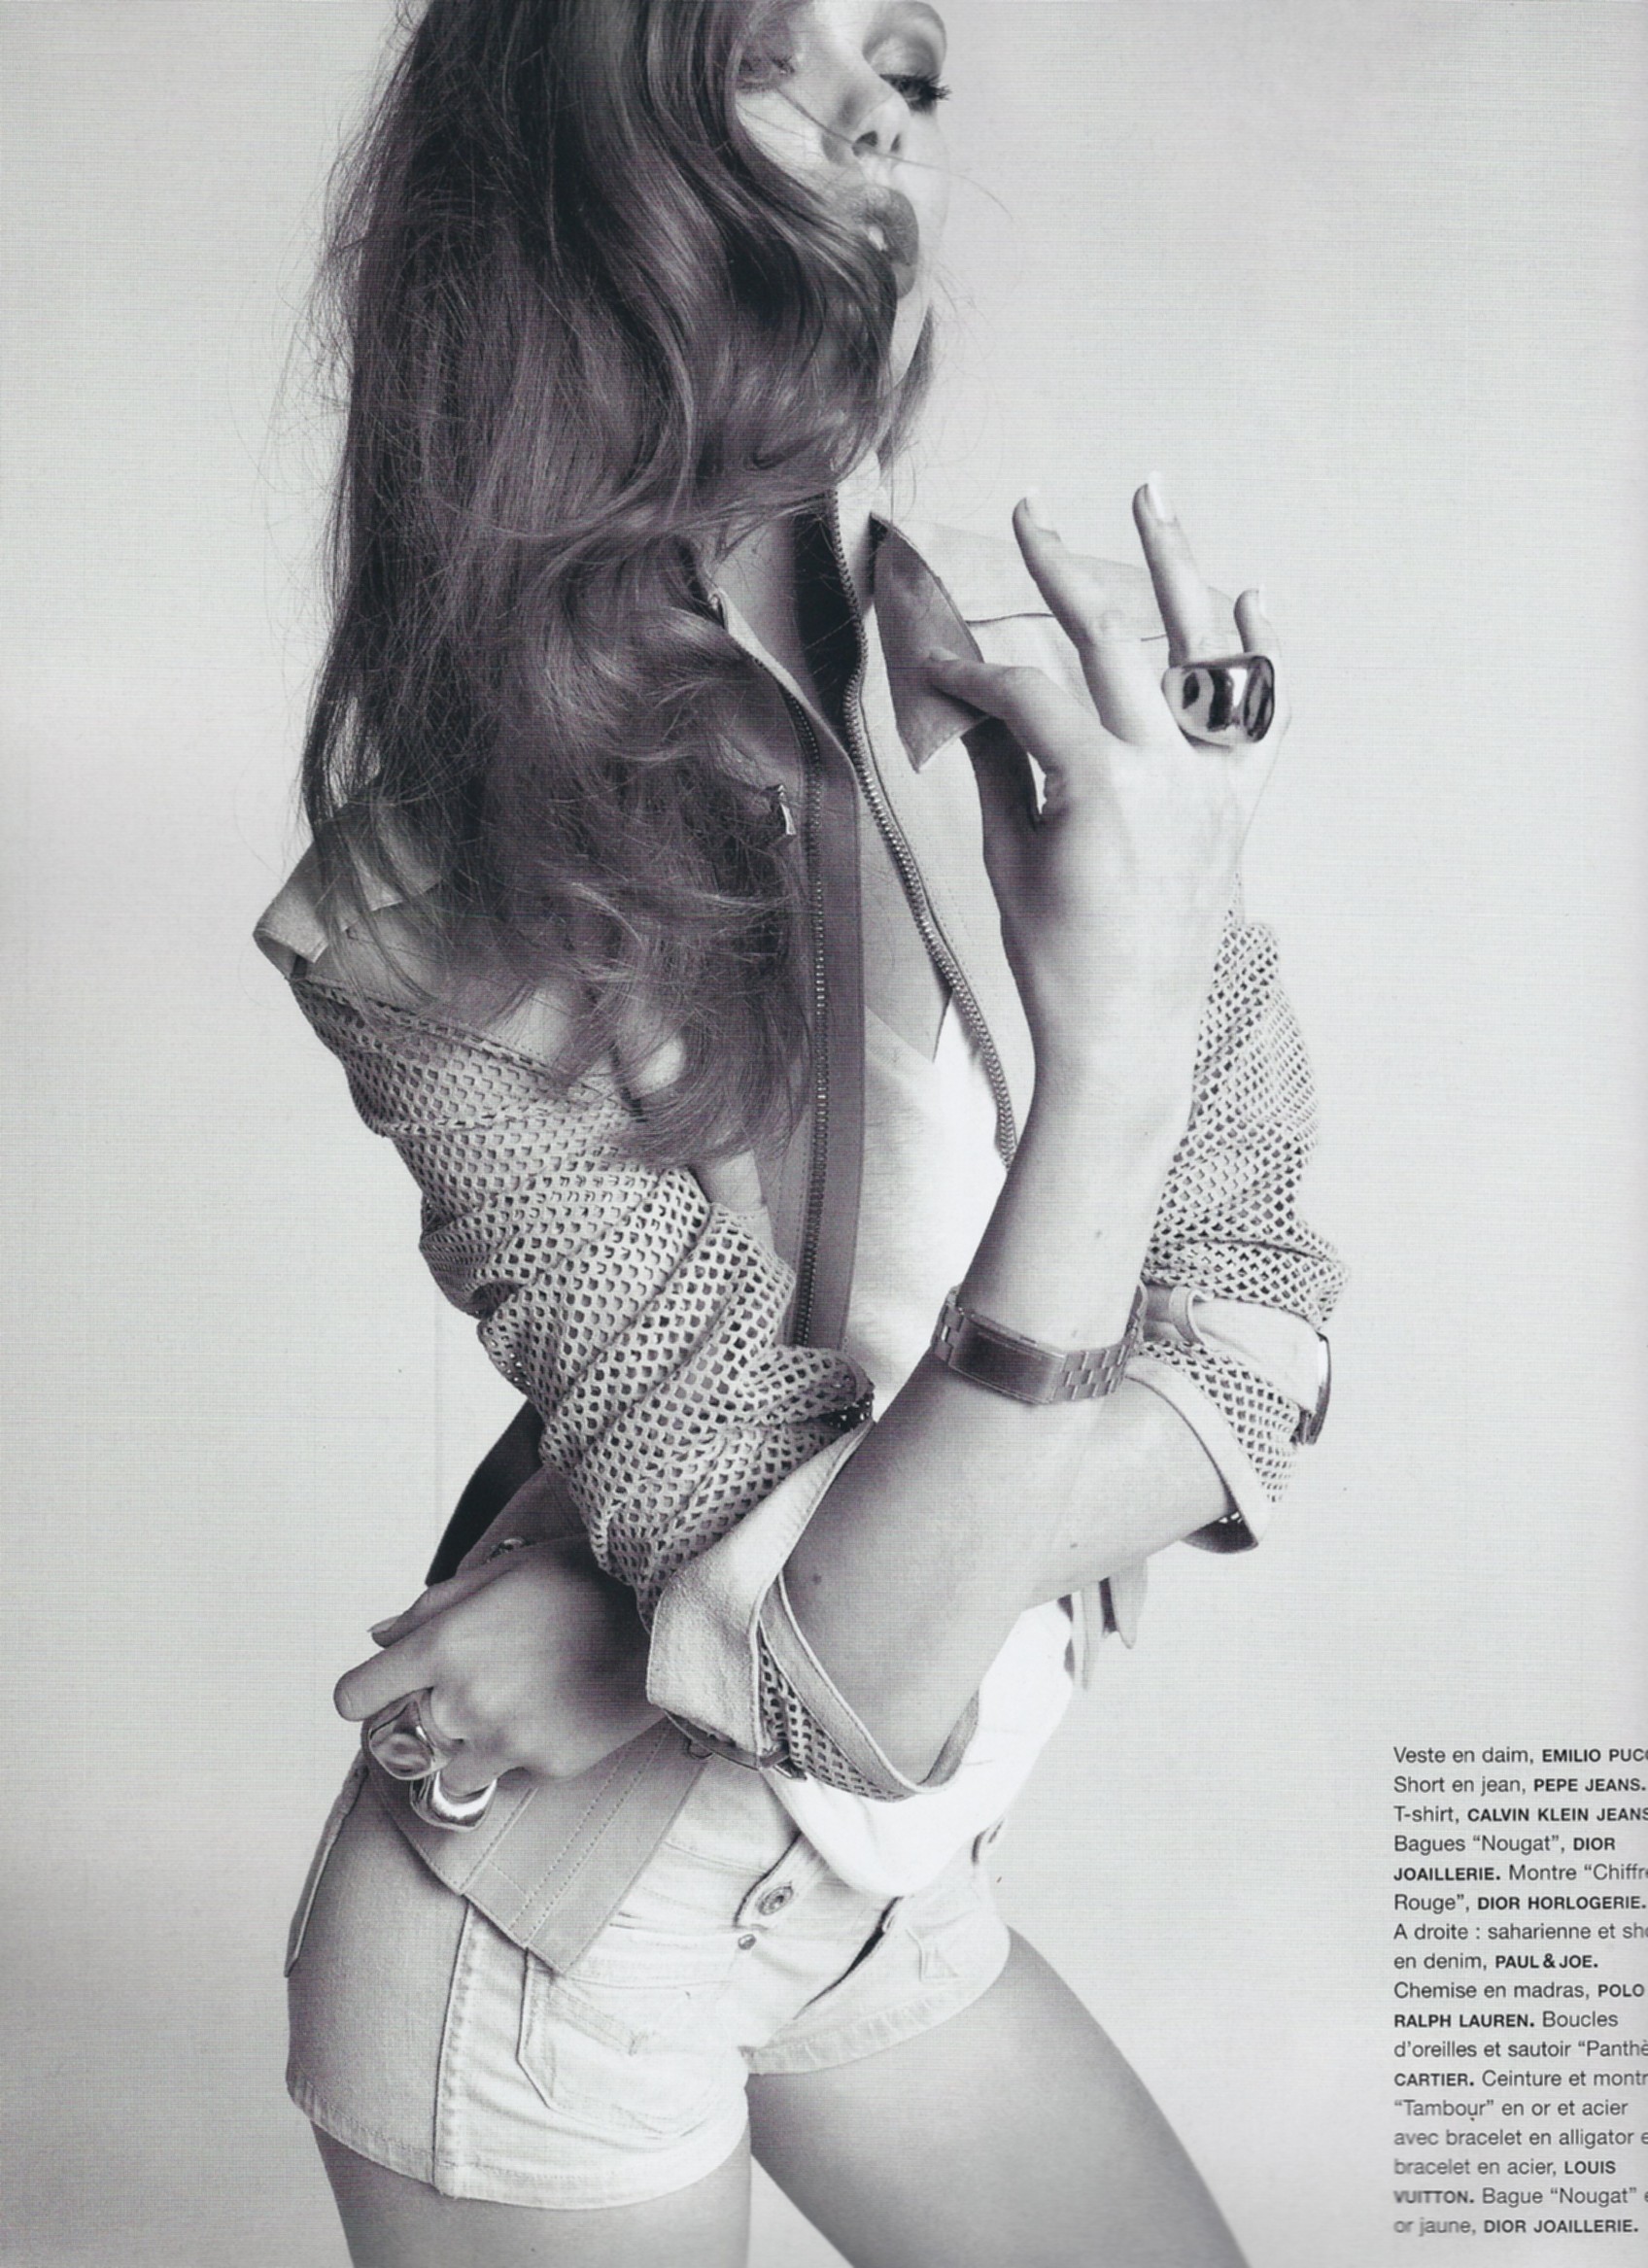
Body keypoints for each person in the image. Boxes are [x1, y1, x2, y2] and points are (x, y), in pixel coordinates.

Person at [257, 2, 1342, 2260]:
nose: (875, 115)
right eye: (769, 56)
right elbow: (855, 1686)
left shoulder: (1046, 693)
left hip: (867, 1892)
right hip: (551, 1944)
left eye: (907, 64)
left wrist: (660, 1620)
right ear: (580, 164)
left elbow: (1259, 1339)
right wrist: (1112, 1071)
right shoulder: (425, 914)